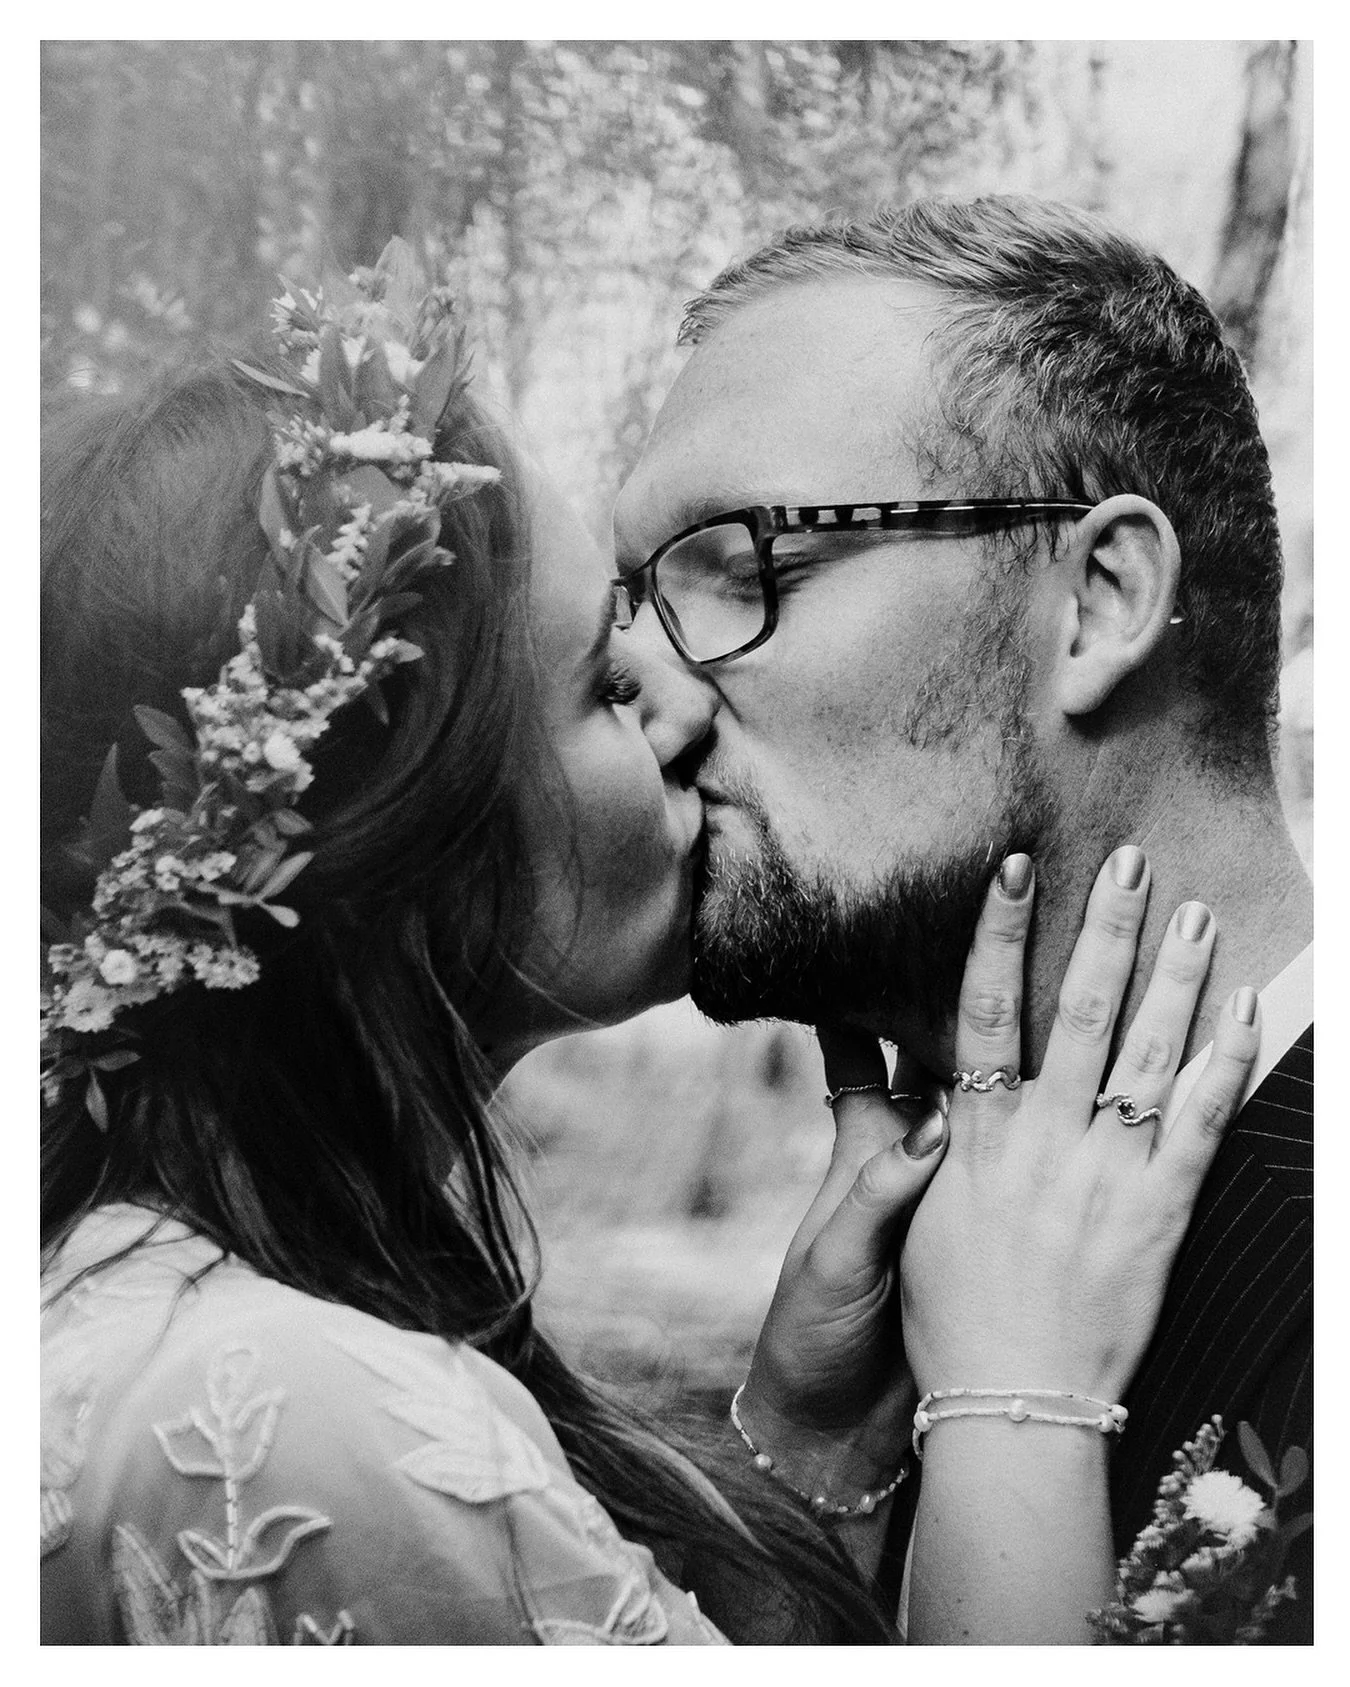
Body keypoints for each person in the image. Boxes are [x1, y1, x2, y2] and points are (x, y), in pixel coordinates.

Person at [42, 243, 1262, 1646]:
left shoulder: (197, 1299)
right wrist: (1014, 1410)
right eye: (603, 680)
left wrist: (808, 1445)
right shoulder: (283, 1411)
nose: (677, 707)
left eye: (744, 567)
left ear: (1101, 596)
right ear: (393, 833)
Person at [612, 193, 1313, 1639]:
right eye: (633, 606)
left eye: (737, 570)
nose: (648, 701)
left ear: (1100, 600)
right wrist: (811, 1459)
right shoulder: (904, 1269)